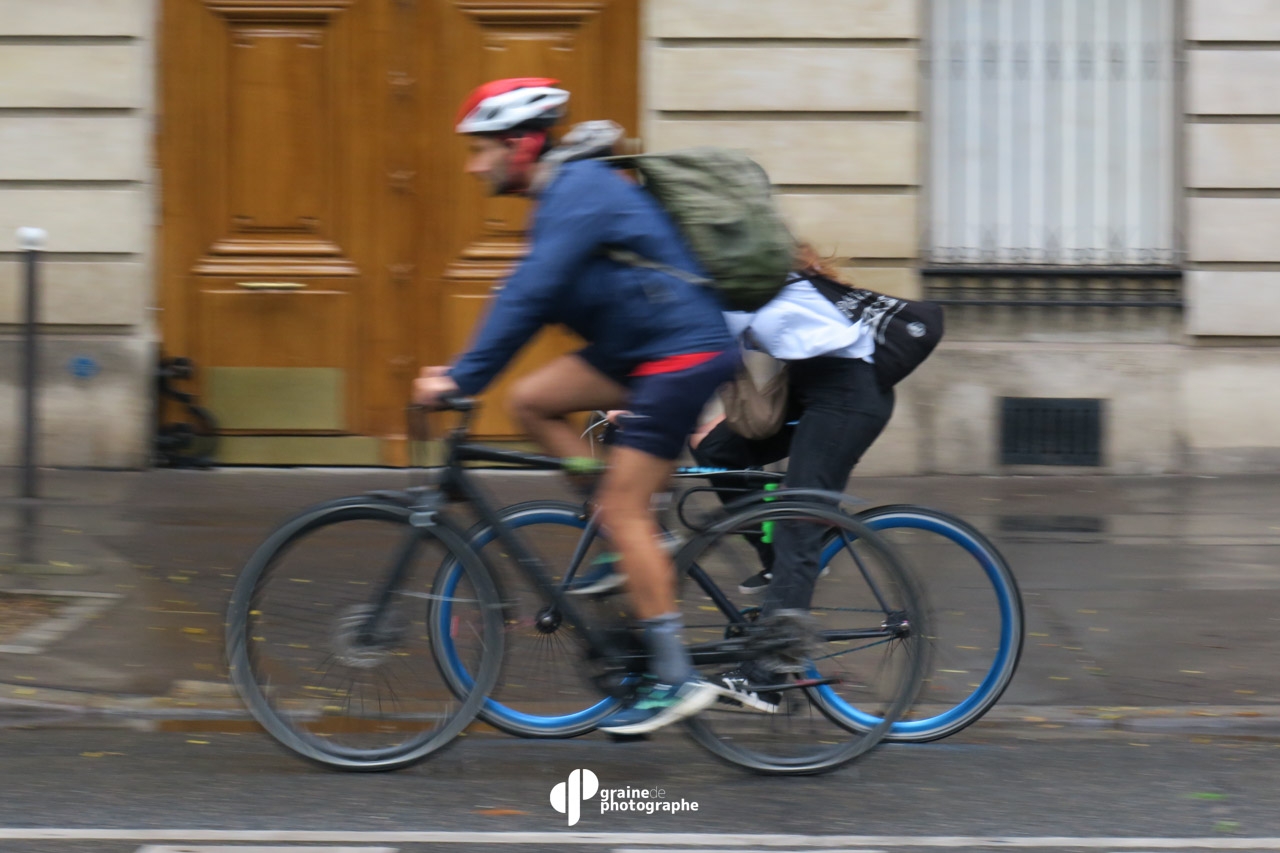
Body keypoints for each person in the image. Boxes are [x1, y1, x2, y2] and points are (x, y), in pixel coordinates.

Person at [411, 78, 739, 735]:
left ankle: (674, 676)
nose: (474, 166)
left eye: (481, 149)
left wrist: (459, 379)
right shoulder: (561, 194)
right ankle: (622, 527)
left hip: (680, 352)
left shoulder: (580, 187)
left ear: (522, 144)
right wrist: (466, 373)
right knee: (531, 399)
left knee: (626, 507)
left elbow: (530, 294)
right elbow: (528, 291)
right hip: (639, 349)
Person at [688, 244, 896, 706]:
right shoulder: (745, 277)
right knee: (718, 451)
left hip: (848, 398)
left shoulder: (742, 282)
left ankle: (766, 678)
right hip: (811, 388)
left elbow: (694, 355)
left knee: (797, 522)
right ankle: (778, 562)